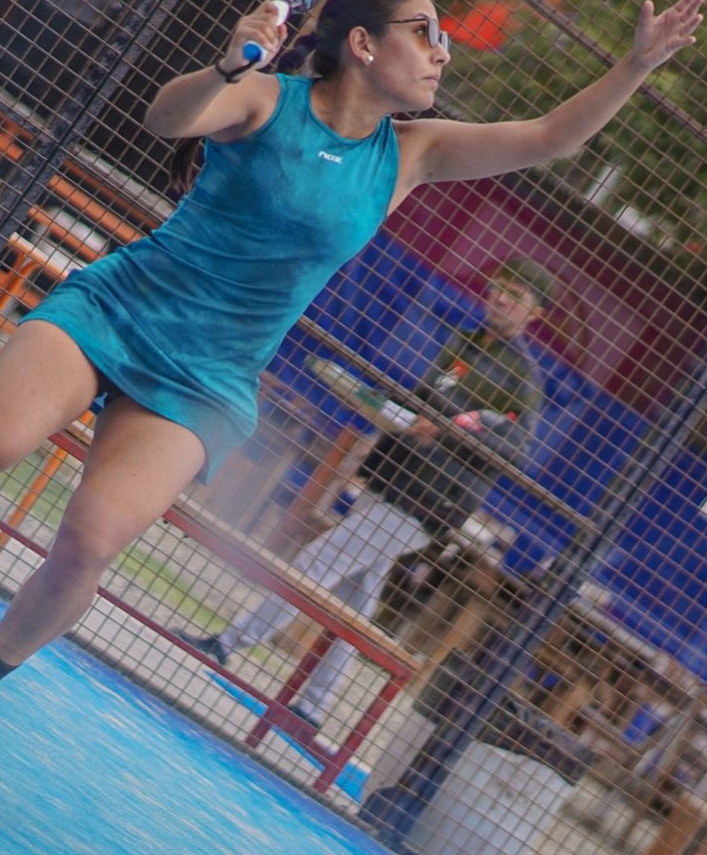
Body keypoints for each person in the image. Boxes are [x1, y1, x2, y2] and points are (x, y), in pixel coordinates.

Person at [0, 0, 706, 756]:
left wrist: (635, 66)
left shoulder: (413, 153)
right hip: (120, 307)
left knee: (92, 541)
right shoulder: (266, 100)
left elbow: (550, 137)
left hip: (212, 378)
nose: (443, 53)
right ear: (363, 44)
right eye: (426, 32)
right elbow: (167, 117)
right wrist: (229, 65)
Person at [177, 258, 553, 729]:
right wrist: (398, 413)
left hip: (430, 500)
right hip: (395, 478)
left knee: (317, 564)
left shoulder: (523, 379)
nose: (501, 299)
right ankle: (314, 708)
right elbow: (429, 400)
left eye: (516, 296)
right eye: (500, 287)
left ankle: (228, 644)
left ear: (534, 313)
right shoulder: (466, 339)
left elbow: (514, 450)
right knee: (358, 596)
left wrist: (448, 430)